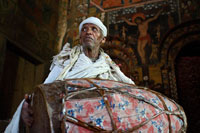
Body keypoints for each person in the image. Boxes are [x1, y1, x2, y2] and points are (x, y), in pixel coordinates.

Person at [5, 16, 135, 133]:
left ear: (103, 39)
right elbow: (46, 88)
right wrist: (27, 104)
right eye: (84, 29)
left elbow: (126, 93)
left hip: (98, 125)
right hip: (63, 122)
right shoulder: (65, 61)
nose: (88, 32)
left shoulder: (109, 68)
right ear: (80, 37)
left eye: (94, 29)